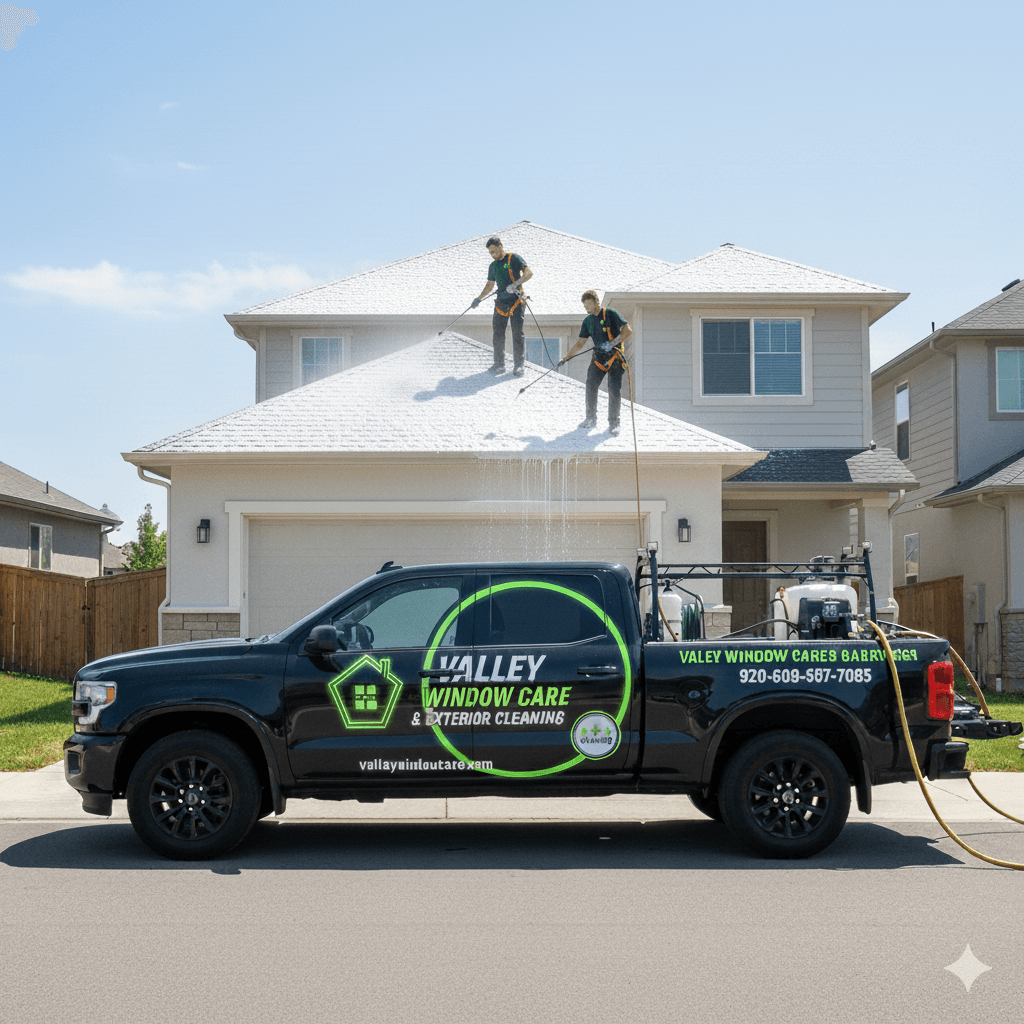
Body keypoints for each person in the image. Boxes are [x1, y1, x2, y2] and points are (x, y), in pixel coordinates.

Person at [561, 290, 633, 434]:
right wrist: (566, 357)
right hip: (598, 358)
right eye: (584, 305)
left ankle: (614, 423)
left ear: (596, 303)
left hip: (615, 357)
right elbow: (580, 343)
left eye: (588, 304)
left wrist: (613, 343)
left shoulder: (611, 314)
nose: (586, 307)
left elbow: (627, 330)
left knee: (613, 390)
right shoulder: (588, 322)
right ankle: (590, 419)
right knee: (591, 385)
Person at [471, 236, 533, 376]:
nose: (492, 254)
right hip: (501, 302)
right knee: (498, 335)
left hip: (516, 301)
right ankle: (499, 364)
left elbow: (529, 273)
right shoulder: (493, 266)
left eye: (494, 251)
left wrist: (515, 284)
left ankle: (519, 366)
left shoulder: (514, 259)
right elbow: (489, 285)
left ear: (500, 246)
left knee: (517, 334)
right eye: (490, 252)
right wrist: (478, 299)